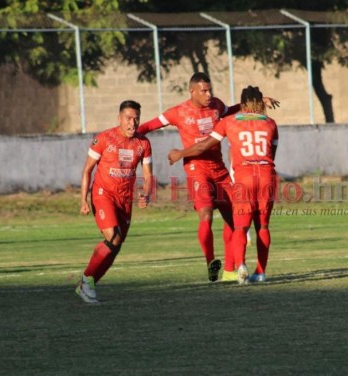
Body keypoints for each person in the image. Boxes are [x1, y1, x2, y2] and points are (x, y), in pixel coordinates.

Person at [138, 72, 278, 282]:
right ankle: (211, 262)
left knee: (235, 222)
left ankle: (231, 270)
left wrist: (255, 103)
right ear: (192, 91)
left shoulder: (217, 107)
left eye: (210, 89)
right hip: (197, 169)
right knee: (207, 215)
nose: (209, 94)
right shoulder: (178, 112)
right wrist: (130, 134)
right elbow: (150, 125)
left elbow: (231, 110)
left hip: (220, 170)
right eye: (204, 90)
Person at [76, 100, 153, 304]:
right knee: (114, 238)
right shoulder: (103, 139)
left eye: (136, 118)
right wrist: (83, 199)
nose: (132, 123)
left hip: (125, 199)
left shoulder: (143, 143)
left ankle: (89, 283)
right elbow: (87, 170)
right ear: (119, 118)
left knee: (115, 246)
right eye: (128, 118)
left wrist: (146, 194)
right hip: (103, 195)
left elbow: (147, 175)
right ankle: (86, 279)